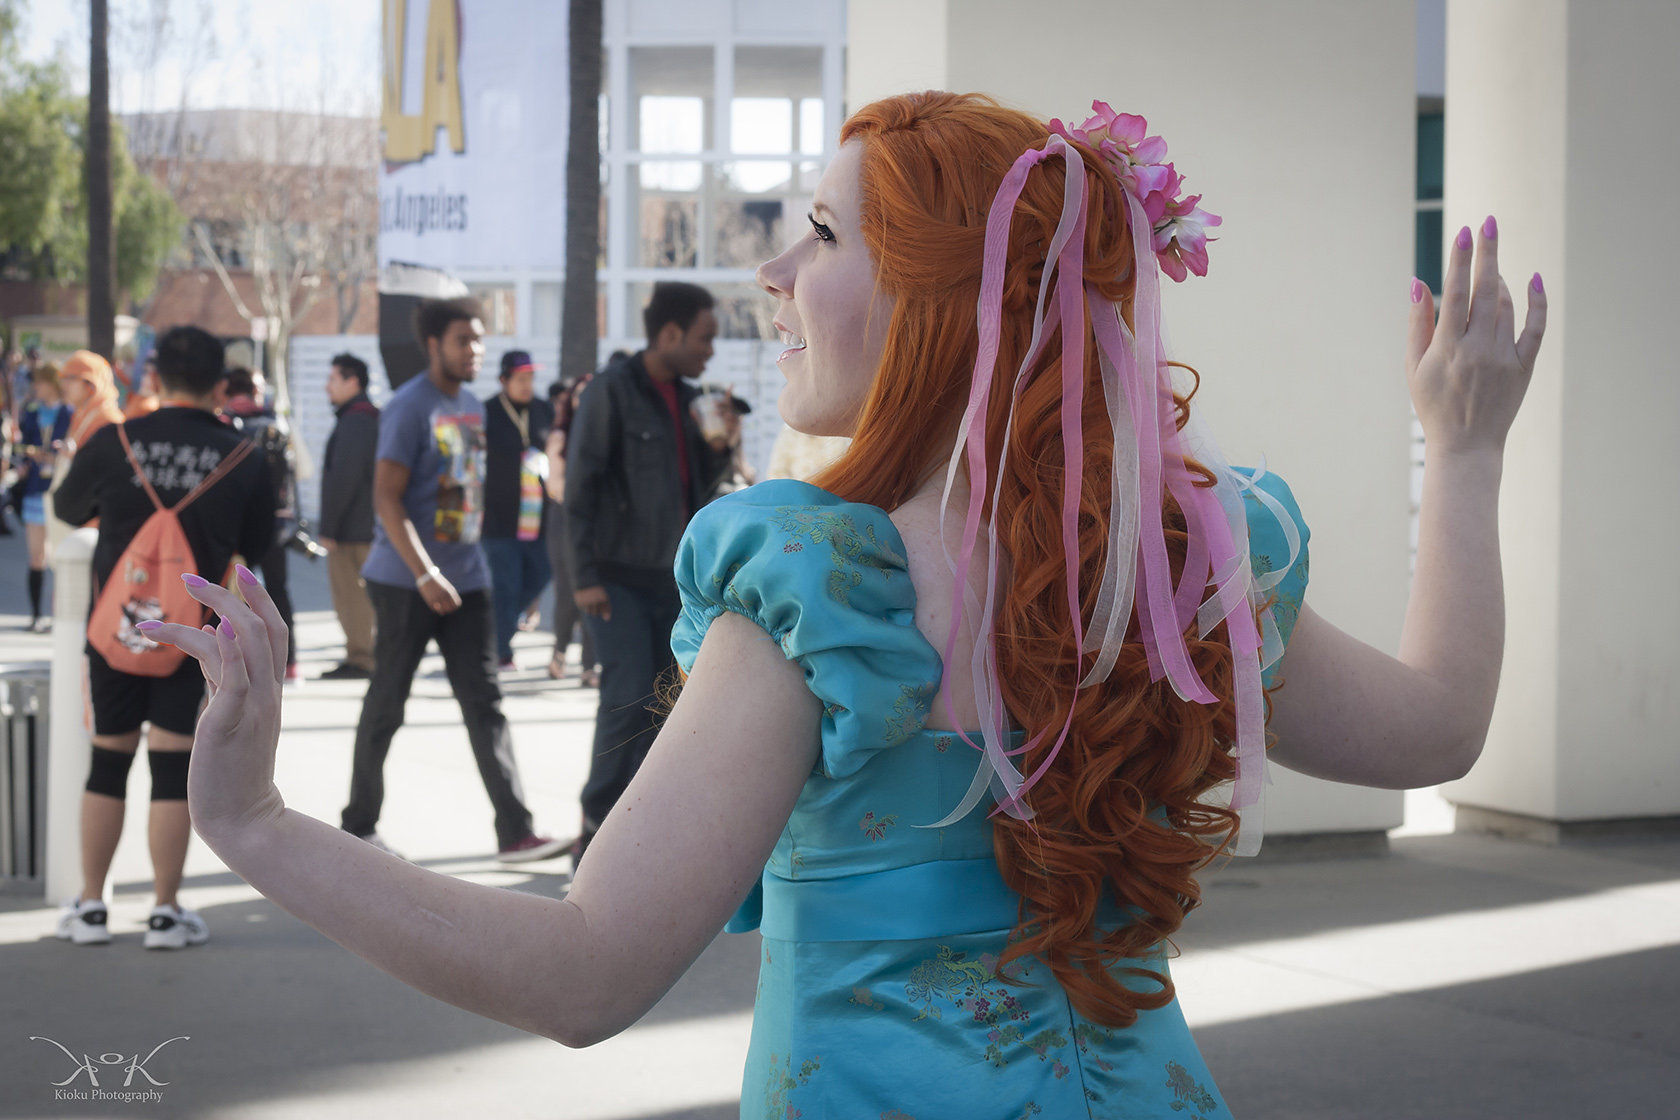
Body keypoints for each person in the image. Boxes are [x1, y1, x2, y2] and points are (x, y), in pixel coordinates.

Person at [151, 92, 1545, 1111]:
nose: (771, 275)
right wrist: (1468, 453)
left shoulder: (820, 589)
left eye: (820, 233)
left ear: (943, 299)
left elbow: (582, 973)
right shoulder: (1172, 566)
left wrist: (256, 820)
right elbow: (1438, 730)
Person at [52, 324, 276, 950]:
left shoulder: (115, 438)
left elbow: (67, 509)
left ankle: (91, 908)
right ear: (220, 385)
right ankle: (165, 912)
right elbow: (257, 546)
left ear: (153, 376)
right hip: (194, 637)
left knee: (108, 760)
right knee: (173, 767)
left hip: (116, 630)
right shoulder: (245, 456)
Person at [337, 297, 566, 863]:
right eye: (464, 339)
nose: (475, 350)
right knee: (387, 702)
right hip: (406, 581)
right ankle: (357, 827)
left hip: (468, 579)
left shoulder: (469, 405)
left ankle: (516, 832)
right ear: (434, 344)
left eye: (480, 339)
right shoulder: (407, 407)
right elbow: (386, 497)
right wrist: (425, 573)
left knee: (485, 703)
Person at [564, 281, 736, 862]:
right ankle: (595, 832)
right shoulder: (611, 391)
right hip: (614, 579)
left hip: (672, 582)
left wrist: (721, 447)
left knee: (669, 703)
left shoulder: (687, 400)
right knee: (627, 697)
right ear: (670, 333)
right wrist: (584, 576)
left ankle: (643, 831)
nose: (710, 351)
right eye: (704, 338)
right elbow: (580, 488)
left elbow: (698, 493)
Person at [220, 365, 301, 681]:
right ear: (255, 391)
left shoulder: (223, 424)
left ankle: (234, 659)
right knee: (278, 589)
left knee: (232, 591)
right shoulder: (275, 424)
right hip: (275, 523)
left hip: (234, 524)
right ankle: (289, 663)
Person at [481, 349, 554, 671]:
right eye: (520, 379)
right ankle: (500, 650)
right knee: (505, 585)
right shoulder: (487, 412)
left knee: (541, 573)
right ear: (503, 380)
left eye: (531, 378)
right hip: (500, 518)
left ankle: (493, 635)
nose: (527, 385)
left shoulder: (543, 410)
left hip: (539, 518)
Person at [317, 352, 380, 681]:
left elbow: (344, 477)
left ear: (352, 381)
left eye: (333, 379)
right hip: (366, 525)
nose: (327, 386)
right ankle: (366, 655)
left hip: (352, 529)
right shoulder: (366, 417)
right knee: (363, 596)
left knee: (352, 596)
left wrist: (329, 528)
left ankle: (361, 658)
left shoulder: (356, 420)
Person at [541, 376, 596, 684]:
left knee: (594, 589)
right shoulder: (560, 437)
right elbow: (555, 487)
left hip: (596, 523)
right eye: (579, 395)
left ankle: (589, 665)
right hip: (565, 519)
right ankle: (559, 652)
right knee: (567, 590)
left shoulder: (603, 435)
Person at [16, 362, 69, 631]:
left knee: (61, 558)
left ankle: (60, 617)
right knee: (37, 556)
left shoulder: (69, 412)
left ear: (51, 383)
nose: (36, 387)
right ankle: (37, 615)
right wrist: (23, 460)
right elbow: (20, 446)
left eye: (40, 381)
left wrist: (56, 458)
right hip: (35, 489)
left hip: (61, 491)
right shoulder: (32, 411)